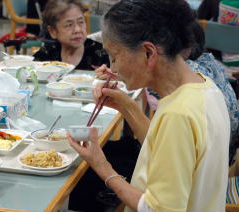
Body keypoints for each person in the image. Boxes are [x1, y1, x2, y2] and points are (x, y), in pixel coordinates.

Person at [68, 0, 230, 211]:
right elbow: (163, 149)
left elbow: (156, 209)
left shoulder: (177, 114)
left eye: (114, 56)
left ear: (148, 53)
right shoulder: (204, 87)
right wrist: (127, 107)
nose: (112, 67)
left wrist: (103, 167)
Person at [33, 0, 109, 70]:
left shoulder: (101, 55)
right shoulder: (46, 54)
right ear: (53, 31)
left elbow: (117, 80)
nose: (77, 30)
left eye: (81, 22)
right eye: (69, 25)